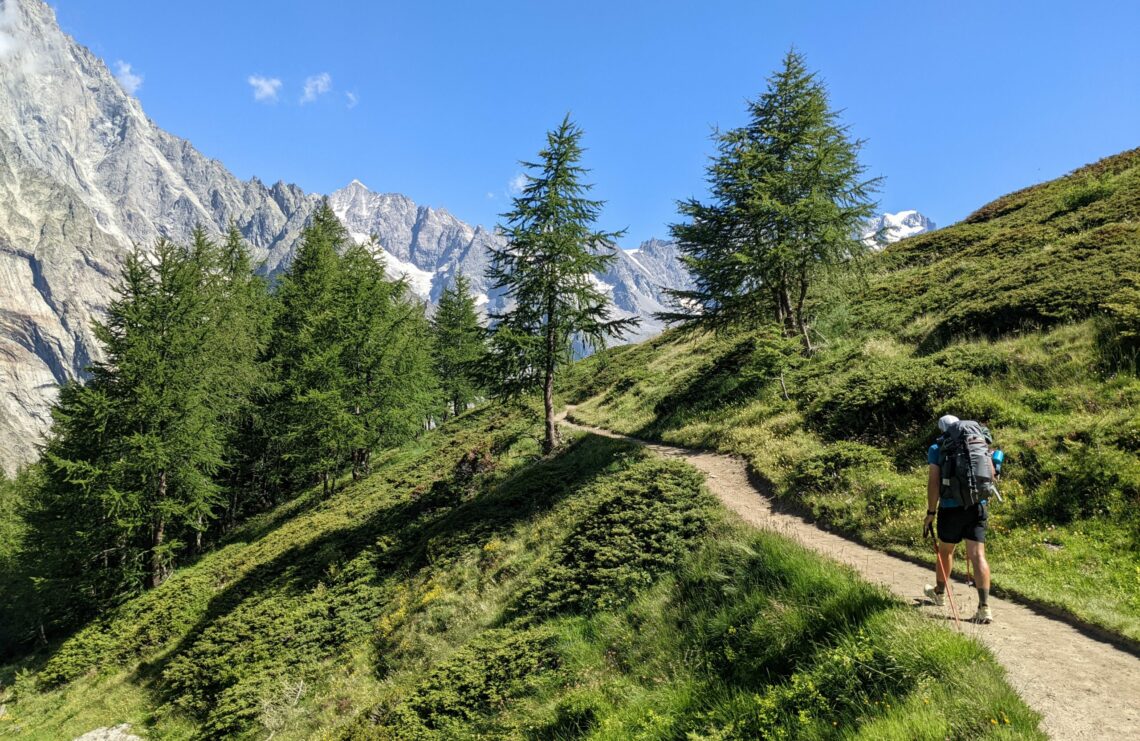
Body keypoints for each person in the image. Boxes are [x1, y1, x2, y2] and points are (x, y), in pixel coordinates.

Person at [923, 414, 995, 624]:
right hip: (977, 507)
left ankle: (939, 593)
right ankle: (984, 608)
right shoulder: (978, 441)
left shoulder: (938, 448)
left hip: (950, 509)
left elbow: (934, 483)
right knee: (977, 555)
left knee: (946, 551)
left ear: (942, 430)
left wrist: (930, 512)